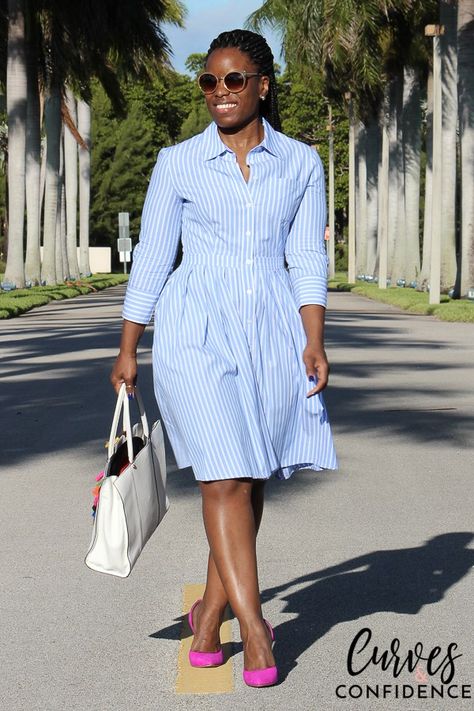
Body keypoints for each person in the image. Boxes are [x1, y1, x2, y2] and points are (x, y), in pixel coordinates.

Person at [111, 28, 337, 688]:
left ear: (262, 84)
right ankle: (257, 625)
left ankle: (210, 615)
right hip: (193, 328)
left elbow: (307, 258)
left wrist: (314, 337)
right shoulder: (179, 163)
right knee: (221, 476)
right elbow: (153, 255)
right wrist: (128, 345)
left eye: (234, 80)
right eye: (209, 82)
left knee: (249, 473)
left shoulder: (300, 163)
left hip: (270, 329)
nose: (220, 93)